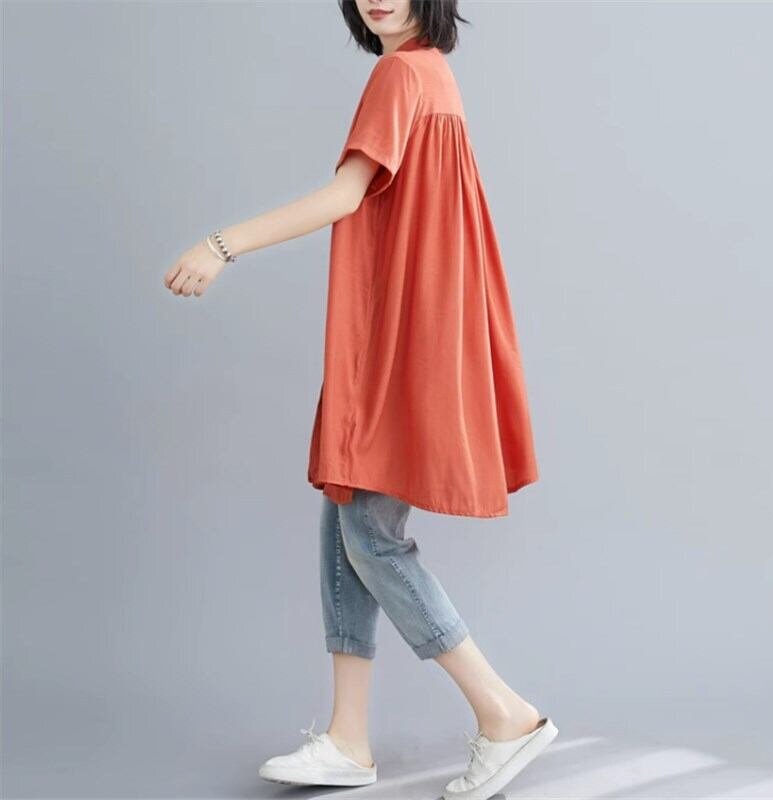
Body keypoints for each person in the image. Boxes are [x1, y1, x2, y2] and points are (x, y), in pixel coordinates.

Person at [162, 2, 557, 798]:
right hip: (423, 325)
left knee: (370, 537)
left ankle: (504, 712)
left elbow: (347, 195)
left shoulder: (400, 74)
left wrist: (221, 244)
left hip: (405, 333)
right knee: (346, 521)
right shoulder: (433, 75)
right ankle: (348, 738)